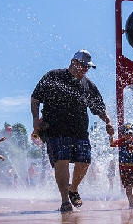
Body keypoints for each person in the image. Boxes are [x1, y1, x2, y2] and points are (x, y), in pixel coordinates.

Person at [31, 49, 114, 212]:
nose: (85, 70)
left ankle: (73, 189)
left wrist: (108, 121)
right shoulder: (53, 76)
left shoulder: (88, 85)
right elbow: (35, 98)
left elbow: (99, 108)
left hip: (80, 131)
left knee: (84, 162)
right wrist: (35, 119)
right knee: (61, 161)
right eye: (83, 66)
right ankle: (64, 201)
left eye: (87, 68)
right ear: (73, 62)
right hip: (55, 129)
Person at [110, 123, 133, 209]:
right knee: (128, 187)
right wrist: (110, 135)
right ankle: (130, 202)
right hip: (124, 169)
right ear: (123, 134)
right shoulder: (121, 141)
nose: (128, 135)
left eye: (130, 133)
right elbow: (112, 144)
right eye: (126, 133)